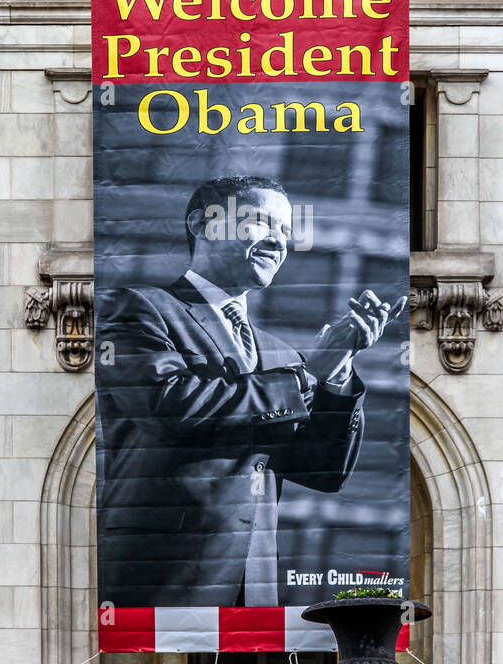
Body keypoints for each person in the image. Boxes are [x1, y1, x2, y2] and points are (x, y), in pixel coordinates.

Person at [95, 174, 394, 607]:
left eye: (287, 232)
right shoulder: (139, 308)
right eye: (262, 223)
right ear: (202, 224)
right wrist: (308, 375)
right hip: (162, 575)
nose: (279, 242)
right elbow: (167, 407)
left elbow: (323, 471)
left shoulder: (278, 354)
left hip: (254, 586)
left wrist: (337, 372)